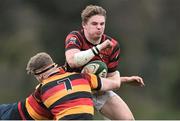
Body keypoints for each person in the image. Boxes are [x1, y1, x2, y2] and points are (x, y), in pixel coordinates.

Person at [64, 5, 145, 120]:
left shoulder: (112, 45)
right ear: (84, 25)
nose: (99, 27)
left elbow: (109, 78)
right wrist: (99, 47)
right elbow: (72, 61)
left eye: (102, 24)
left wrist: (124, 80)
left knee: (128, 119)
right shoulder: (75, 37)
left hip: (99, 91)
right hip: (74, 91)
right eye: (94, 24)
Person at [26, 52, 122, 120]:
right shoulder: (83, 77)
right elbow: (115, 84)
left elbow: (32, 115)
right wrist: (114, 72)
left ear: (40, 75)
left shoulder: (41, 89)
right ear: (54, 65)